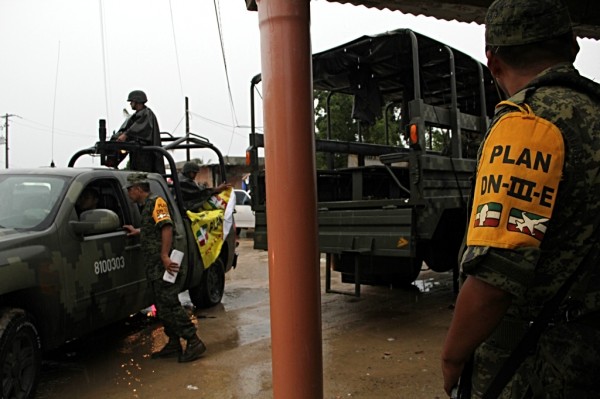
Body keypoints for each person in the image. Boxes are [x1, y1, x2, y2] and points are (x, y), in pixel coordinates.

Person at [441, 0, 600, 397]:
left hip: (539, 367)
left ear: (493, 62)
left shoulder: (528, 124)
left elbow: (495, 279)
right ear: (573, 48)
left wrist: (453, 357)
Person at [122, 172, 206, 363]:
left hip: (163, 266)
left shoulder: (157, 202)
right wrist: (138, 231)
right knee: (161, 306)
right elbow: (154, 228)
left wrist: (164, 256)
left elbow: (166, 228)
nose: (128, 194)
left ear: (137, 189)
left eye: (129, 190)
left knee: (170, 303)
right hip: (155, 267)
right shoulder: (147, 206)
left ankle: (193, 341)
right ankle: (174, 342)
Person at [115, 90, 166, 174]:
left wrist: (126, 135)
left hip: (145, 156)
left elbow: (138, 128)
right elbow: (126, 128)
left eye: (131, 101)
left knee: (143, 176)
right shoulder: (134, 117)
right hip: (136, 154)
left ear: (136, 101)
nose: (130, 104)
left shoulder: (147, 114)